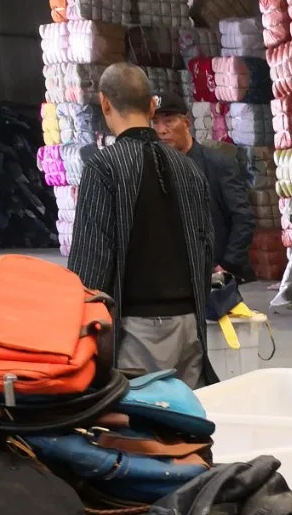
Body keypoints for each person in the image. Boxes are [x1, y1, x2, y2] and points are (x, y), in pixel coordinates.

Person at [67, 62, 214, 387]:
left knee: (142, 427)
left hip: (136, 330)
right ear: (151, 106)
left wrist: (79, 329)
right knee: (189, 422)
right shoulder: (189, 169)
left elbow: (91, 257)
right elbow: (206, 248)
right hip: (190, 327)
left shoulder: (103, 167)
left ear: (105, 103)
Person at [153, 103, 255, 284]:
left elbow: (243, 218)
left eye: (168, 121)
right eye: (155, 123)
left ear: (186, 122)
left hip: (217, 275)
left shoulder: (218, 163)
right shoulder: (155, 168)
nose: (161, 130)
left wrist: (227, 265)